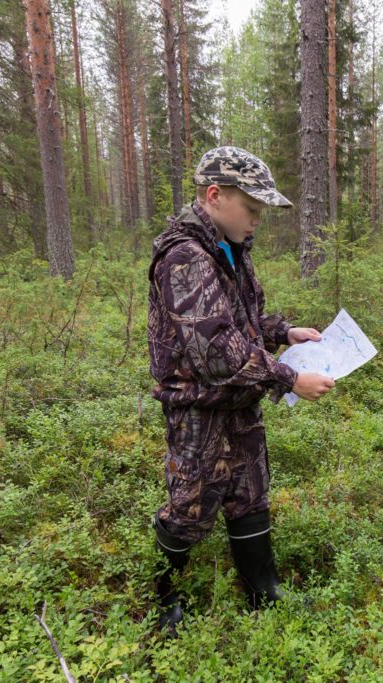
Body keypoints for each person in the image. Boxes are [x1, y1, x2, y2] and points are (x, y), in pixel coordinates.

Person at [146, 146, 335, 636]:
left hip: (241, 403)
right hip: (200, 408)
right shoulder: (184, 257)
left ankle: (262, 588)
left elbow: (242, 321)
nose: (256, 221)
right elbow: (215, 349)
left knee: (250, 494)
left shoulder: (231, 249)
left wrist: (284, 331)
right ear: (215, 196)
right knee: (190, 506)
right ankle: (164, 597)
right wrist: (289, 377)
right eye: (251, 209)